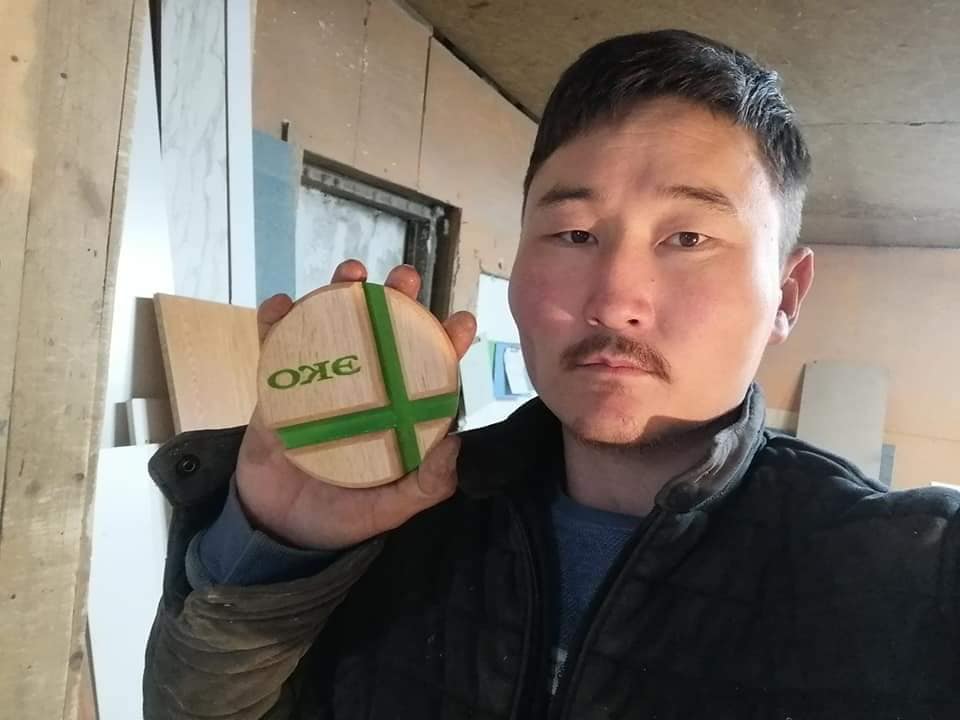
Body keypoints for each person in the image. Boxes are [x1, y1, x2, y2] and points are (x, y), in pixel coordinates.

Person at [143, 30, 960, 720]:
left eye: (688, 239)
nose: (614, 301)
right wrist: (275, 552)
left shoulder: (910, 576)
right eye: (573, 234)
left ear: (786, 295)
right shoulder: (395, 517)